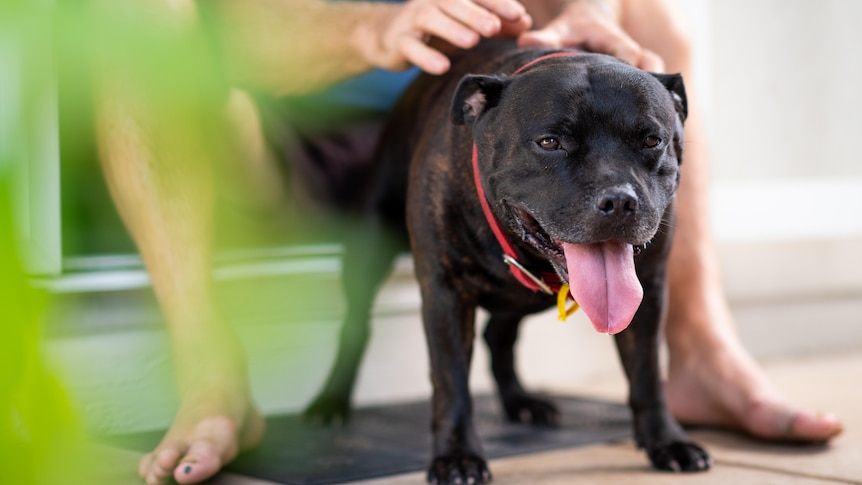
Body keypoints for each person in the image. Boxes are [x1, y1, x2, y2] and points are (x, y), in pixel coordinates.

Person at [93, 0, 843, 484]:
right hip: (285, 147)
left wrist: (588, 12)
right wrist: (364, 29)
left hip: (523, 141)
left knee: (656, 14)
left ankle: (702, 353)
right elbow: (219, 33)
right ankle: (212, 374)